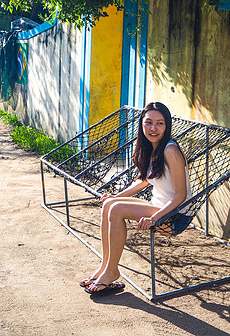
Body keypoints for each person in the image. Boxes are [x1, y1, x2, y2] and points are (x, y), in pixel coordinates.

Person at [81, 102, 192, 296]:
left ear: (167, 126)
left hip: (175, 215)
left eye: (160, 123)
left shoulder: (170, 150)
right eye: (148, 122)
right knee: (109, 204)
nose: (153, 128)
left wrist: (155, 217)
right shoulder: (150, 148)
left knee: (116, 210)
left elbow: (181, 195)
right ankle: (106, 267)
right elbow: (143, 180)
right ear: (141, 124)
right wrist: (116, 196)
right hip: (159, 207)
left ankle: (111, 271)